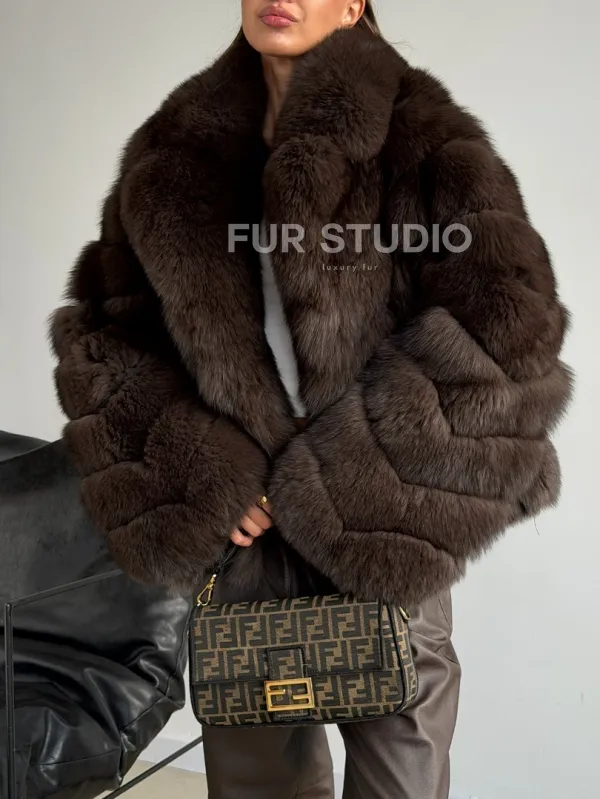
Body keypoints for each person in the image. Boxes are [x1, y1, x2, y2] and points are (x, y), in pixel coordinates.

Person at [49, 1, 572, 797]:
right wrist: (203, 473)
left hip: (387, 522)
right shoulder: (173, 152)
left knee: (401, 781)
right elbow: (109, 338)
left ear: (354, 3)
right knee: (259, 785)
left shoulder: (423, 138)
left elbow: (509, 328)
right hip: (245, 538)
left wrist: (345, 477)